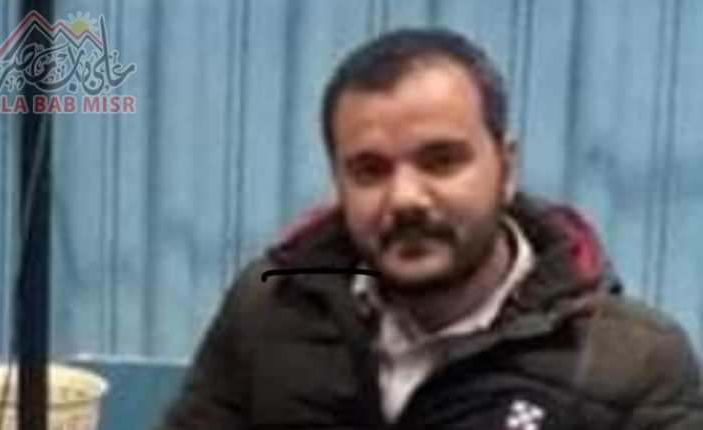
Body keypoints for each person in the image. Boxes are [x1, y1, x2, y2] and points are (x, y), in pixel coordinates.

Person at [157, 28, 703, 430]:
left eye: (441, 161)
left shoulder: (632, 363)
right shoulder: (270, 307)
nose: (406, 199)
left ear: (507, 169)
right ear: (338, 184)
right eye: (370, 170)